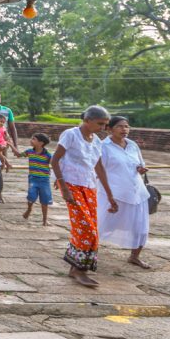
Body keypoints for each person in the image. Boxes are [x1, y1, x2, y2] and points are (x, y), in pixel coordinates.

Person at [51, 105, 117, 288]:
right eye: (100, 124)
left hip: (89, 186)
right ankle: (79, 271)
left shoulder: (96, 141)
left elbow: (98, 167)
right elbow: (54, 160)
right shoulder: (71, 135)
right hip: (71, 184)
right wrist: (63, 186)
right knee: (86, 228)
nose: (103, 128)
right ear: (87, 120)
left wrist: (110, 195)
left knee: (91, 230)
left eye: (105, 125)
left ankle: (78, 269)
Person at [98, 116, 152, 269]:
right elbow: (98, 170)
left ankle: (134, 256)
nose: (124, 130)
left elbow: (139, 164)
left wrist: (140, 169)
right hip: (114, 193)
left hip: (136, 192)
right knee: (101, 225)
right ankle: (87, 253)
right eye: (120, 126)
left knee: (140, 227)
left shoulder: (132, 144)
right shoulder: (104, 146)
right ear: (109, 129)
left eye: (127, 126)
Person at [20, 133, 53, 226]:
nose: (31, 140)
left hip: (44, 180)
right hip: (33, 179)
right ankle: (29, 209)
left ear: (41, 143)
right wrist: (10, 144)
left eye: (33, 139)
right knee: (31, 196)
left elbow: (55, 164)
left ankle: (45, 220)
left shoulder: (48, 155)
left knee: (45, 200)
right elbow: (18, 155)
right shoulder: (29, 152)